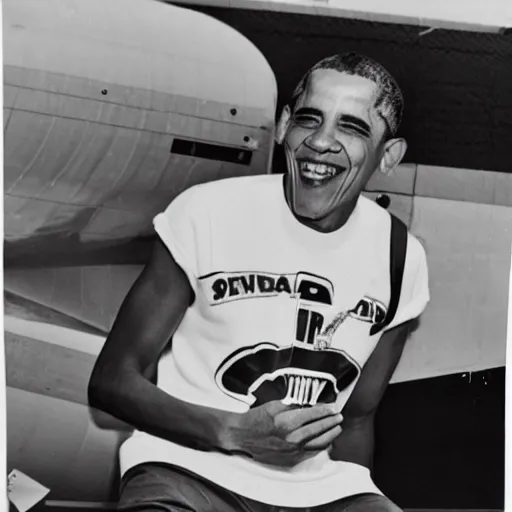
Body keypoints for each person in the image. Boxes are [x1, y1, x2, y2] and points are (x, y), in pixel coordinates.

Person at [88, 52, 430, 512]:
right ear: (285, 124)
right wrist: (232, 431)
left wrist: (347, 492)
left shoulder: (402, 256)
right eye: (310, 119)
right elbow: (112, 381)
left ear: (389, 155)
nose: (321, 142)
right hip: (186, 468)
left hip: (314, 489)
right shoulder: (206, 212)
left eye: (351, 127)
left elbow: (356, 419)